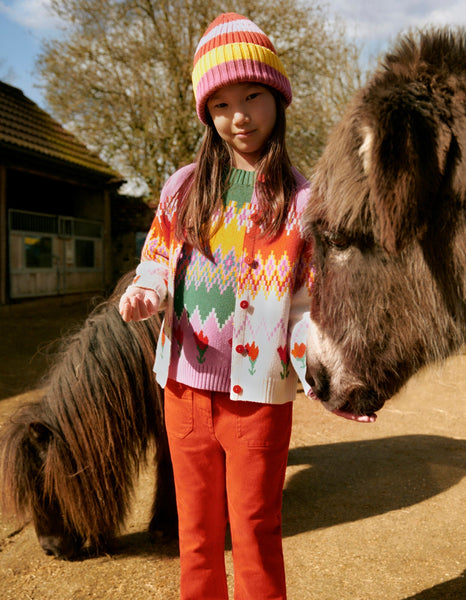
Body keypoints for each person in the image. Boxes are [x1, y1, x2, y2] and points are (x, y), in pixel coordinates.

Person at [119, 12, 313, 600]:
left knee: (255, 527)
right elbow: (156, 259)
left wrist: (326, 375)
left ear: (276, 98)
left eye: (253, 96)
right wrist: (146, 291)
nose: (239, 115)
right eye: (222, 103)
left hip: (259, 397)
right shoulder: (183, 187)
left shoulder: (304, 201)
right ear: (207, 113)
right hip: (183, 388)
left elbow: (307, 300)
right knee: (196, 533)